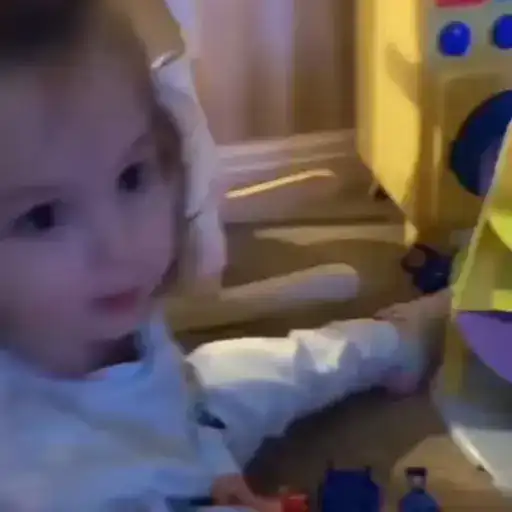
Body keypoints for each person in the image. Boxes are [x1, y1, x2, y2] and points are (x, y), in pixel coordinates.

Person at [0, 1, 442, 510]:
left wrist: (215, 463)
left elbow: (177, 391)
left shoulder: (92, 301)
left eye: (132, 177)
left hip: (185, 422)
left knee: (278, 367)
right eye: (42, 218)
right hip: (151, 486)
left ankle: (392, 342)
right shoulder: (33, 476)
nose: (121, 247)